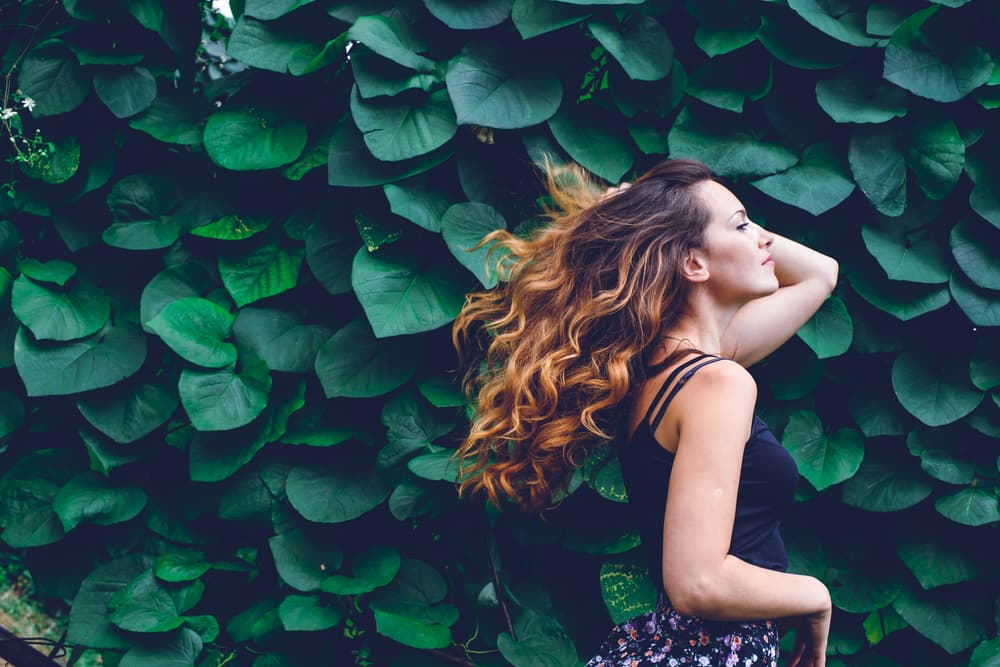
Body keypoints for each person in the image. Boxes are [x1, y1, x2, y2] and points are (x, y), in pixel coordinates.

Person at [451, 158, 838, 667]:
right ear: (694, 264)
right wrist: (815, 596)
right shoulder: (715, 382)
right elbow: (698, 583)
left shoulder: (667, 369)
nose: (764, 238)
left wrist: (660, 208)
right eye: (743, 225)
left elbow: (820, 273)